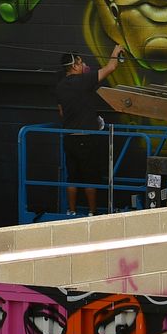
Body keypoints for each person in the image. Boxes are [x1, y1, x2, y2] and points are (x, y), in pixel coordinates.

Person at [55, 45, 122, 215]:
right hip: (86, 137)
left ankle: (71, 211)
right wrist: (115, 51)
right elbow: (111, 67)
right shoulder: (84, 80)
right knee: (90, 177)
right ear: (74, 66)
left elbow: (62, 112)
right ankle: (92, 212)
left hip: (69, 137)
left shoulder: (60, 86)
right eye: (81, 62)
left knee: (72, 177)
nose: (84, 64)